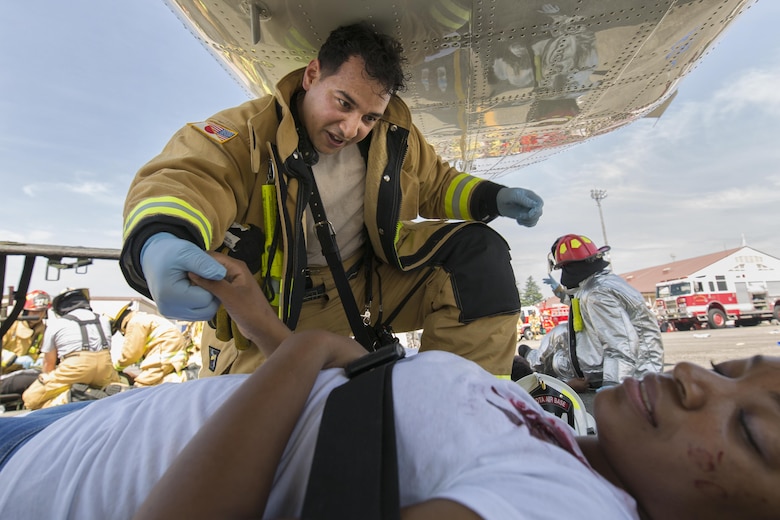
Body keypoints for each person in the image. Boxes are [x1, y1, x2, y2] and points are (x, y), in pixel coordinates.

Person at [1, 252, 779, 520]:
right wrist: (262, 322)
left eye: (751, 433)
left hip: (39, 481)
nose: (691, 377)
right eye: (726, 370)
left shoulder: (563, 504)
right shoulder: (570, 446)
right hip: (82, 430)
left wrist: (303, 351)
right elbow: (348, 418)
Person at [119, 22, 543, 378]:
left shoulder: (392, 138)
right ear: (312, 75)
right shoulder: (243, 132)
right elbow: (188, 176)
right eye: (343, 103)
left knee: (477, 255)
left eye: (369, 116)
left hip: (365, 291)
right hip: (269, 311)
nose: (351, 127)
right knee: (270, 444)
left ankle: (462, 412)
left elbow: (437, 184)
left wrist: (494, 196)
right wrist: (160, 239)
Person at [528, 234, 664, 392]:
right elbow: (578, 304)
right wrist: (560, 292)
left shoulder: (596, 294)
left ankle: (530, 361)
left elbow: (621, 343)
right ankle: (532, 357)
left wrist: (612, 386)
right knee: (561, 334)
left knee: (558, 348)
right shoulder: (598, 284)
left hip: (636, 373)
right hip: (633, 365)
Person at [21, 289, 119, 410]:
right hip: (105, 367)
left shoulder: (57, 324)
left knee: (30, 399)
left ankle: (71, 398)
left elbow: (49, 364)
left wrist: (47, 382)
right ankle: (116, 393)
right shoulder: (104, 320)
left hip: (74, 367)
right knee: (112, 383)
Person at [111, 304, 190, 387]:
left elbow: (131, 353)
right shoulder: (143, 318)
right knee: (158, 382)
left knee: (142, 386)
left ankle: (187, 379)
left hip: (163, 352)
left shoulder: (134, 323)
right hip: (169, 350)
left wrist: (116, 367)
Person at [1, 290, 50, 374]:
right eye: (34, 311)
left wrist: (42, 358)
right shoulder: (9, 325)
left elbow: (46, 350)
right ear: (25, 311)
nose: (38, 315)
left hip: (23, 374)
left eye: (42, 311)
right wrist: (14, 359)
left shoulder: (45, 330)